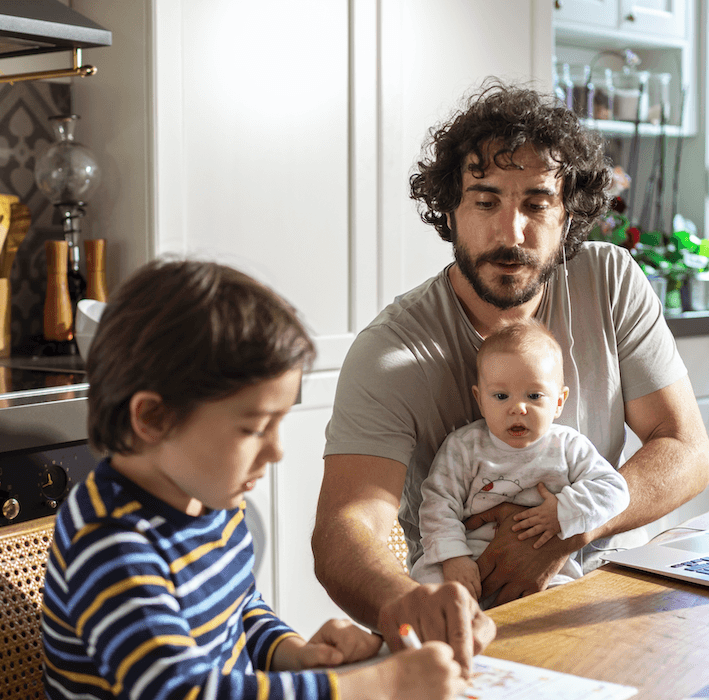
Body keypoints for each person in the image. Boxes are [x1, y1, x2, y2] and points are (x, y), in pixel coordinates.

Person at [312, 82, 709, 672]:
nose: (511, 233)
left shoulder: (610, 280)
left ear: (567, 211)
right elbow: (348, 526)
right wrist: (414, 604)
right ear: (449, 209)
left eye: (536, 203)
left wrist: (561, 531)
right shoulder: (391, 351)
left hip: (600, 591)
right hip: (470, 619)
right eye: (485, 200)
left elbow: (686, 449)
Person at [42, 259, 465, 700]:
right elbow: (179, 692)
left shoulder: (211, 502)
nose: (276, 450)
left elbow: (240, 608)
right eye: (252, 429)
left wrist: (292, 652)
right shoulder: (113, 544)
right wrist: (372, 686)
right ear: (153, 418)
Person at [412, 319, 631, 599]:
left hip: (543, 560)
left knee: (566, 602)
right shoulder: (464, 446)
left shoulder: (568, 446)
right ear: (480, 400)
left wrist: (562, 511)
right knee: (428, 591)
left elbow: (614, 489)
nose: (518, 408)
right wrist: (454, 557)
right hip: (466, 557)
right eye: (501, 396)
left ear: (559, 401)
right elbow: (437, 503)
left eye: (534, 395)